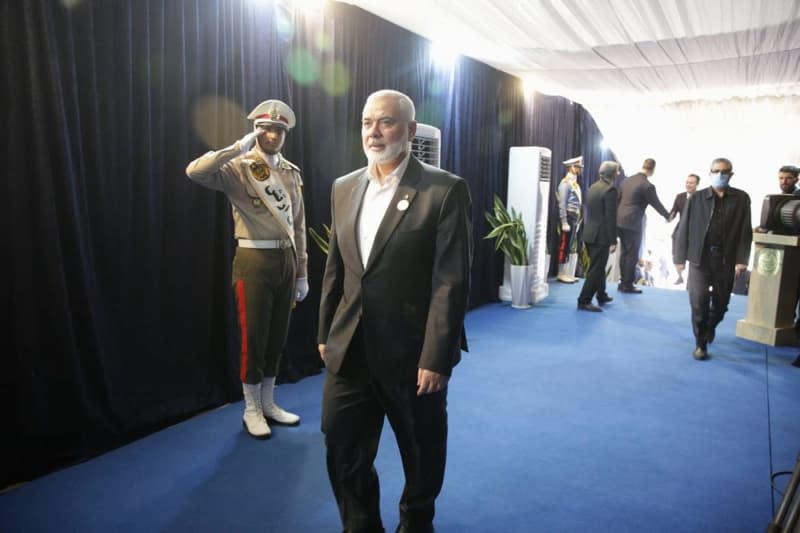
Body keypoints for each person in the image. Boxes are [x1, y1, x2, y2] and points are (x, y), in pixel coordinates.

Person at [318, 90, 472, 533]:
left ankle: (415, 523)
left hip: (413, 355)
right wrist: (327, 330)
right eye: (367, 122)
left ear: (408, 130)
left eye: (385, 122)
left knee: (421, 452)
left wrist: (437, 357)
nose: (373, 132)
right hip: (351, 348)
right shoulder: (344, 187)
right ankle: (361, 524)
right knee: (342, 446)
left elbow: (451, 281)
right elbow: (337, 266)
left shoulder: (444, 189)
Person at [186, 99, 308, 439]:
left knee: (276, 337)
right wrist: (236, 147)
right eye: (266, 128)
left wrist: (302, 272)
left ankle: (269, 403)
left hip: (286, 261)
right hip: (253, 261)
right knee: (253, 338)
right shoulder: (238, 167)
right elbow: (195, 172)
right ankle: (251, 408)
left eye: (279, 130)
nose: (272, 134)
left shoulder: (290, 172)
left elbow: (298, 226)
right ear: (256, 130)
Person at [673, 157, 752, 361]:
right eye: (716, 171)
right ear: (709, 173)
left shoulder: (742, 199)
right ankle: (701, 344)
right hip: (699, 259)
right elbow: (684, 229)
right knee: (698, 302)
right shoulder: (697, 198)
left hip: (725, 260)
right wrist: (679, 257)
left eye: (724, 172)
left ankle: (710, 327)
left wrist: (742, 259)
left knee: (721, 302)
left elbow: (745, 232)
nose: (719, 175)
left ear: (730, 174)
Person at [616, 158, 670, 293]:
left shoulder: (626, 180)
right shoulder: (647, 185)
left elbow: (618, 200)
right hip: (633, 222)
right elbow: (656, 204)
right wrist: (668, 216)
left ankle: (622, 281)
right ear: (652, 170)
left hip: (619, 221)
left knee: (624, 252)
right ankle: (627, 285)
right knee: (632, 254)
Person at [577, 161, 619, 312]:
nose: (619, 174)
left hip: (589, 234)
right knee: (596, 269)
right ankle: (584, 300)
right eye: (617, 171)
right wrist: (613, 240)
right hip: (601, 237)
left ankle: (601, 295)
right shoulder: (611, 190)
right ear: (613, 174)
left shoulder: (593, 187)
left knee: (598, 267)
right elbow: (610, 217)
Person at [556, 156, 584, 283]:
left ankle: (566, 272)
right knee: (564, 245)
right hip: (568, 215)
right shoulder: (565, 183)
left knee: (568, 245)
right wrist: (564, 221)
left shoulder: (574, 183)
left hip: (574, 216)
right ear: (571, 167)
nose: (579, 169)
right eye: (577, 167)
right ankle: (561, 273)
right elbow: (562, 204)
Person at [669, 174, 701, 284]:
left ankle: (690, 280)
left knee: (692, 255)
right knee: (675, 245)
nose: (688, 184)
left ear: (697, 184)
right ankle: (679, 275)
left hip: (695, 230)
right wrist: (668, 217)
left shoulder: (700, 197)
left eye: (691, 183)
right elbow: (673, 211)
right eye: (687, 182)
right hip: (681, 228)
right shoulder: (680, 196)